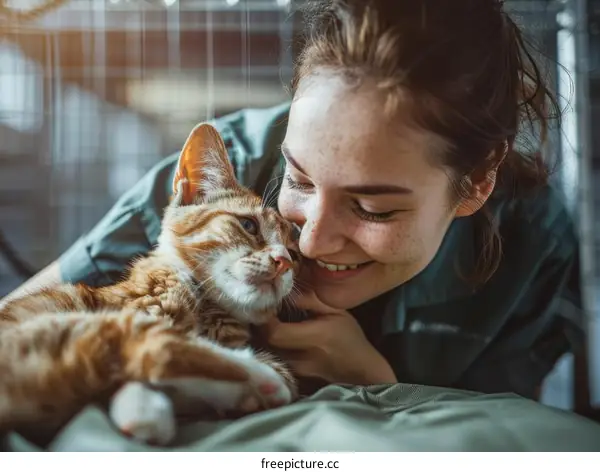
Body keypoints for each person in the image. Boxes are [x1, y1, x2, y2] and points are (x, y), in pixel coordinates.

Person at [3, 0, 585, 401]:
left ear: (477, 184)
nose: (308, 241)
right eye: (298, 180)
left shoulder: (534, 236)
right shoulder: (228, 168)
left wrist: (377, 383)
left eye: (373, 208)